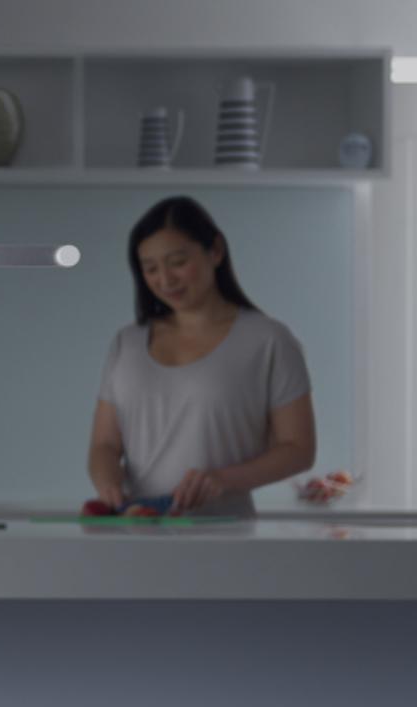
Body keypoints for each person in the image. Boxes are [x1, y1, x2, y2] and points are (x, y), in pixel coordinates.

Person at [87, 196, 316, 516]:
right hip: (136, 531)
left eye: (178, 262)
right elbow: (105, 445)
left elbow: (299, 450)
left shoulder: (270, 340)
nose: (165, 280)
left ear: (216, 251)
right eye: (150, 268)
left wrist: (222, 479)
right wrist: (108, 482)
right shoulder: (127, 343)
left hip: (224, 536)